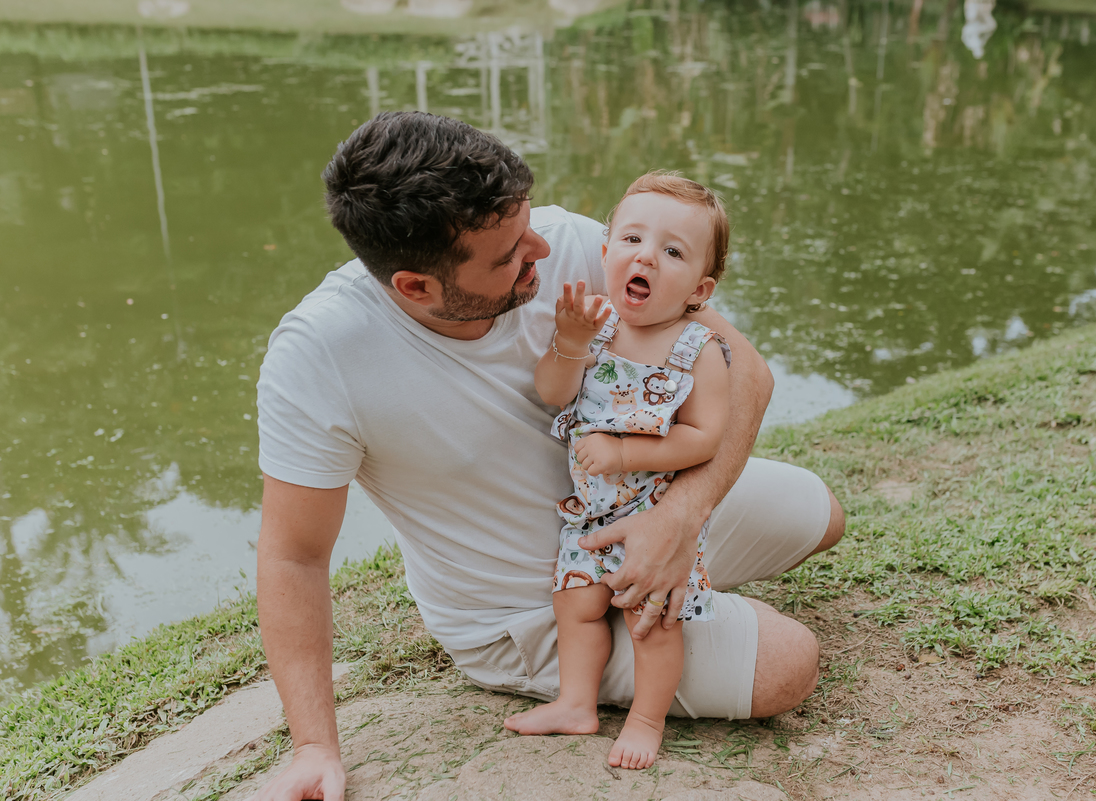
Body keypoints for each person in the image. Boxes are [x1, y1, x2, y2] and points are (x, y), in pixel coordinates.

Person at [252, 112, 845, 801]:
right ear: (416, 285)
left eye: (527, 223)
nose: (541, 247)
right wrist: (314, 746)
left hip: (633, 505)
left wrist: (683, 514)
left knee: (821, 510)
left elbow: (747, 374)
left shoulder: (566, 242)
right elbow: (293, 554)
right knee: (789, 664)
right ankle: (634, 643)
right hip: (522, 610)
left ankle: (675, 592)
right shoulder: (318, 356)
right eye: (508, 255)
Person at [505, 173, 734, 770]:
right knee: (575, 605)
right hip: (588, 514)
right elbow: (555, 393)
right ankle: (575, 702)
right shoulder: (596, 329)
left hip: (653, 511)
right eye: (632, 238)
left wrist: (626, 454)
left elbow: (704, 437)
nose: (646, 257)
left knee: (651, 622)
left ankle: (645, 720)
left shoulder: (696, 349)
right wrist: (570, 341)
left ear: (699, 289)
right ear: (606, 252)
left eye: (673, 251)